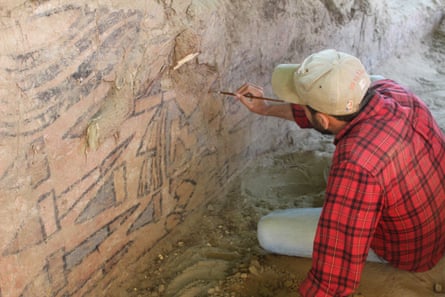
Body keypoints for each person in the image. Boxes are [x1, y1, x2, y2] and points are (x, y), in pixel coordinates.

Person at [234, 49, 445, 297]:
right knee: (343, 176)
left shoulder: (356, 164)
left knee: (268, 231)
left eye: (304, 104)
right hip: (432, 219)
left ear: (323, 120)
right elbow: (319, 114)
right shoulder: (394, 92)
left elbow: (335, 270)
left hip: (409, 251)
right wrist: (266, 108)